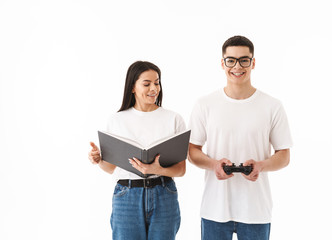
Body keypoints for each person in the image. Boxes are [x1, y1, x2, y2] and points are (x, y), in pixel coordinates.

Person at [188, 35, 293, 240]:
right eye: (231, 60)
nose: (237, 66)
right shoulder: (205, 104)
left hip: (256, 209)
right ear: (222, 63)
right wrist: (214, 165)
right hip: (214, 209)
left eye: (244, 60)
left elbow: (284, 155)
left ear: (253, 63)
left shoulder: (272, 106)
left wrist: (261, 165)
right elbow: (192, 151)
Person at [88, 61, 186, 240]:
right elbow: (112, 168)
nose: (154, 89)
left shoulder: (174, 119)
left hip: (163, 193)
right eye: (147, 84)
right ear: (132, 87)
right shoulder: (117, 120)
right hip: (127, 196)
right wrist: (98, 160)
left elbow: (181, 169)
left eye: (157, 83)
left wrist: (158, 170)